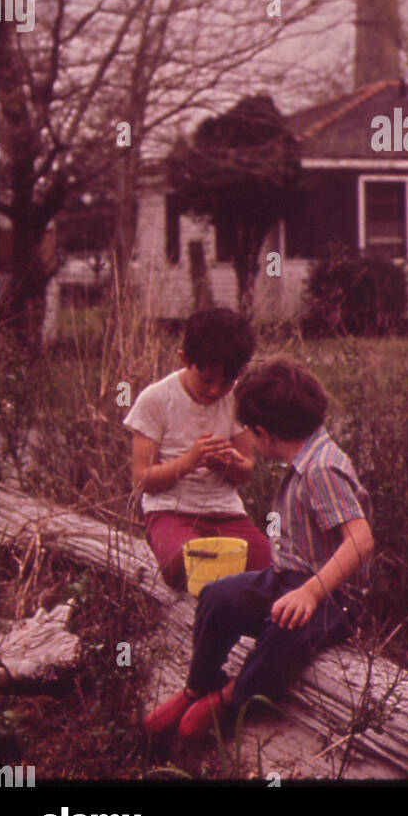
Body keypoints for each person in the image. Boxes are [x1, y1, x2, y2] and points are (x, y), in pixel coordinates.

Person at [142, 356, 373, 739]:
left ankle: (234, 698)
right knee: (218, 595)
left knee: (281, 632)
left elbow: (361, 541)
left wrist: (310, 593)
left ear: (263, 433)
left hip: (334, 598)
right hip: (289, 577)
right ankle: (198, 685)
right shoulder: (305, 457)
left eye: (250, 433)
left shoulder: (321, 470)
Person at [123, 308, 272, 588]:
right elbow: (142, 480)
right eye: (207, 380)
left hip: (225, 512)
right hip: (170, 511)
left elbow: (245, 472)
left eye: (226, 382)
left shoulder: (236, 399)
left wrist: (228, 464)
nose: (215, 390)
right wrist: (190, 461)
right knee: (185, 563)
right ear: (184, 359)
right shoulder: (155, 399)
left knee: (270, 569)